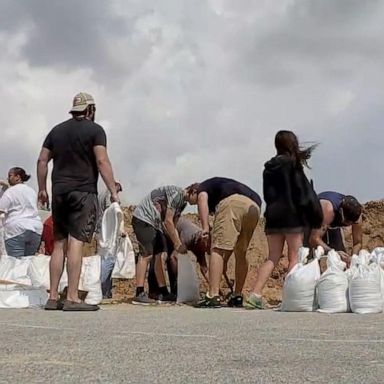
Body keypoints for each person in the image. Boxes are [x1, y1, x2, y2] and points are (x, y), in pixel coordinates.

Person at [37, 92, 119, 311]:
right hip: (83, 192)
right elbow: (102, 161)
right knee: (76, 241)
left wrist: (42, 189)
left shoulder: (56, 131)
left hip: (59, 193)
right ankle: (72, 297)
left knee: (59, 243)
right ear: (90, 110)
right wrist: (113, 191)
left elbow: (42, 160)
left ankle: (53, 297)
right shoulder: (95, 130)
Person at [244, 130, 323, 310]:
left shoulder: (268, 168)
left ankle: (254, 295)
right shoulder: (293, 165)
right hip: (291, 215)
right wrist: (314, 213)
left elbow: (268, 194)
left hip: (272, 215)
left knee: (272, 257)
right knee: (294, 256)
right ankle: (290, 298)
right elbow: (303, 193)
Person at [185, 177, 262, 308]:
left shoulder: (202, 188)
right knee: (241, 252)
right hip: (254, 207)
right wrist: (224, 262)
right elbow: (229, 244)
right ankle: (237, 295)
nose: (190, 204)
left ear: (193, 191)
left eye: (189, 200)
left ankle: (213, 295)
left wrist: (205, 228)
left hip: (232, 203)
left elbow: (202, 198)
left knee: (217, 248)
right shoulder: (221, 186)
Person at [131, 185, 190, 305]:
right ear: (192, 192)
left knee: (160, 255)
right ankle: (139, 292)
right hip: (143, 219)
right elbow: (168, 221)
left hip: (155, 224)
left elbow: (171, 222)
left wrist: (175, 242)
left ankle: (163, 291)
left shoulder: (183, 203)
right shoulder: (177, 194)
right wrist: (177, 244)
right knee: (146, 254)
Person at [147, 216, 209, 299]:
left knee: (173, 259)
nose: (209, 252)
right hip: (163, 227)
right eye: (208, 248)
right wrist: (181, 280)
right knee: (160, 256)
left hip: (174, 233)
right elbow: (174, 257)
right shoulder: (189, 237)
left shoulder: (201, 245)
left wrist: (215, 290)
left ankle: (174, 292)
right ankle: (154, 291)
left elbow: (204, 269)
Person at [307, 192, 362, 261]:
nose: (348, 225)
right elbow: (314, 239)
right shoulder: (327, 210)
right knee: (309, 256)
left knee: (341, 258)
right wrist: (334, 252)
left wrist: (353, 258)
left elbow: (357, 243)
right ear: (341, 212)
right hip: (311, 220)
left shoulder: (357, 216)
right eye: (347, 222)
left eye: (351, 223)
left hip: (332, 225)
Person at [0, 167, 43, 257]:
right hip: (35, 229)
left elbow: (1, 208)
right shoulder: (31, 191)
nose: (8, 178)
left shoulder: (10, 191)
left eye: (10, 176)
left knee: (15, 263)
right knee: (27, 262)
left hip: (16, 229)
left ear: (17, 177)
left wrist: (4, 189)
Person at [96, 182, 124, 299]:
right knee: (109, 260)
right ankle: (102, 290)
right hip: (107, 232)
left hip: (101, 230)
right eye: (118, 191)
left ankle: (106, 292)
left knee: (104, 259)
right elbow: (111, 211)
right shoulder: (109, 194)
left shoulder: (102, 194)